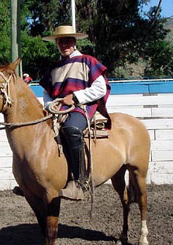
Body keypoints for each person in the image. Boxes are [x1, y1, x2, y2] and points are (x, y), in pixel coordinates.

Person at [40, 25, 111, 201]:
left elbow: (100, 88)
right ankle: (36, 181)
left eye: (67, 41)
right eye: (60, 41)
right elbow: (47, 94)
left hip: (81, 108)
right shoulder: (54, 68)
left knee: (71, 129)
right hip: (57, 110)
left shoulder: (88, 61)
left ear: (74, 42)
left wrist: (76, 97)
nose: (63, 44)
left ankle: (80, 182)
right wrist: (50, 105)